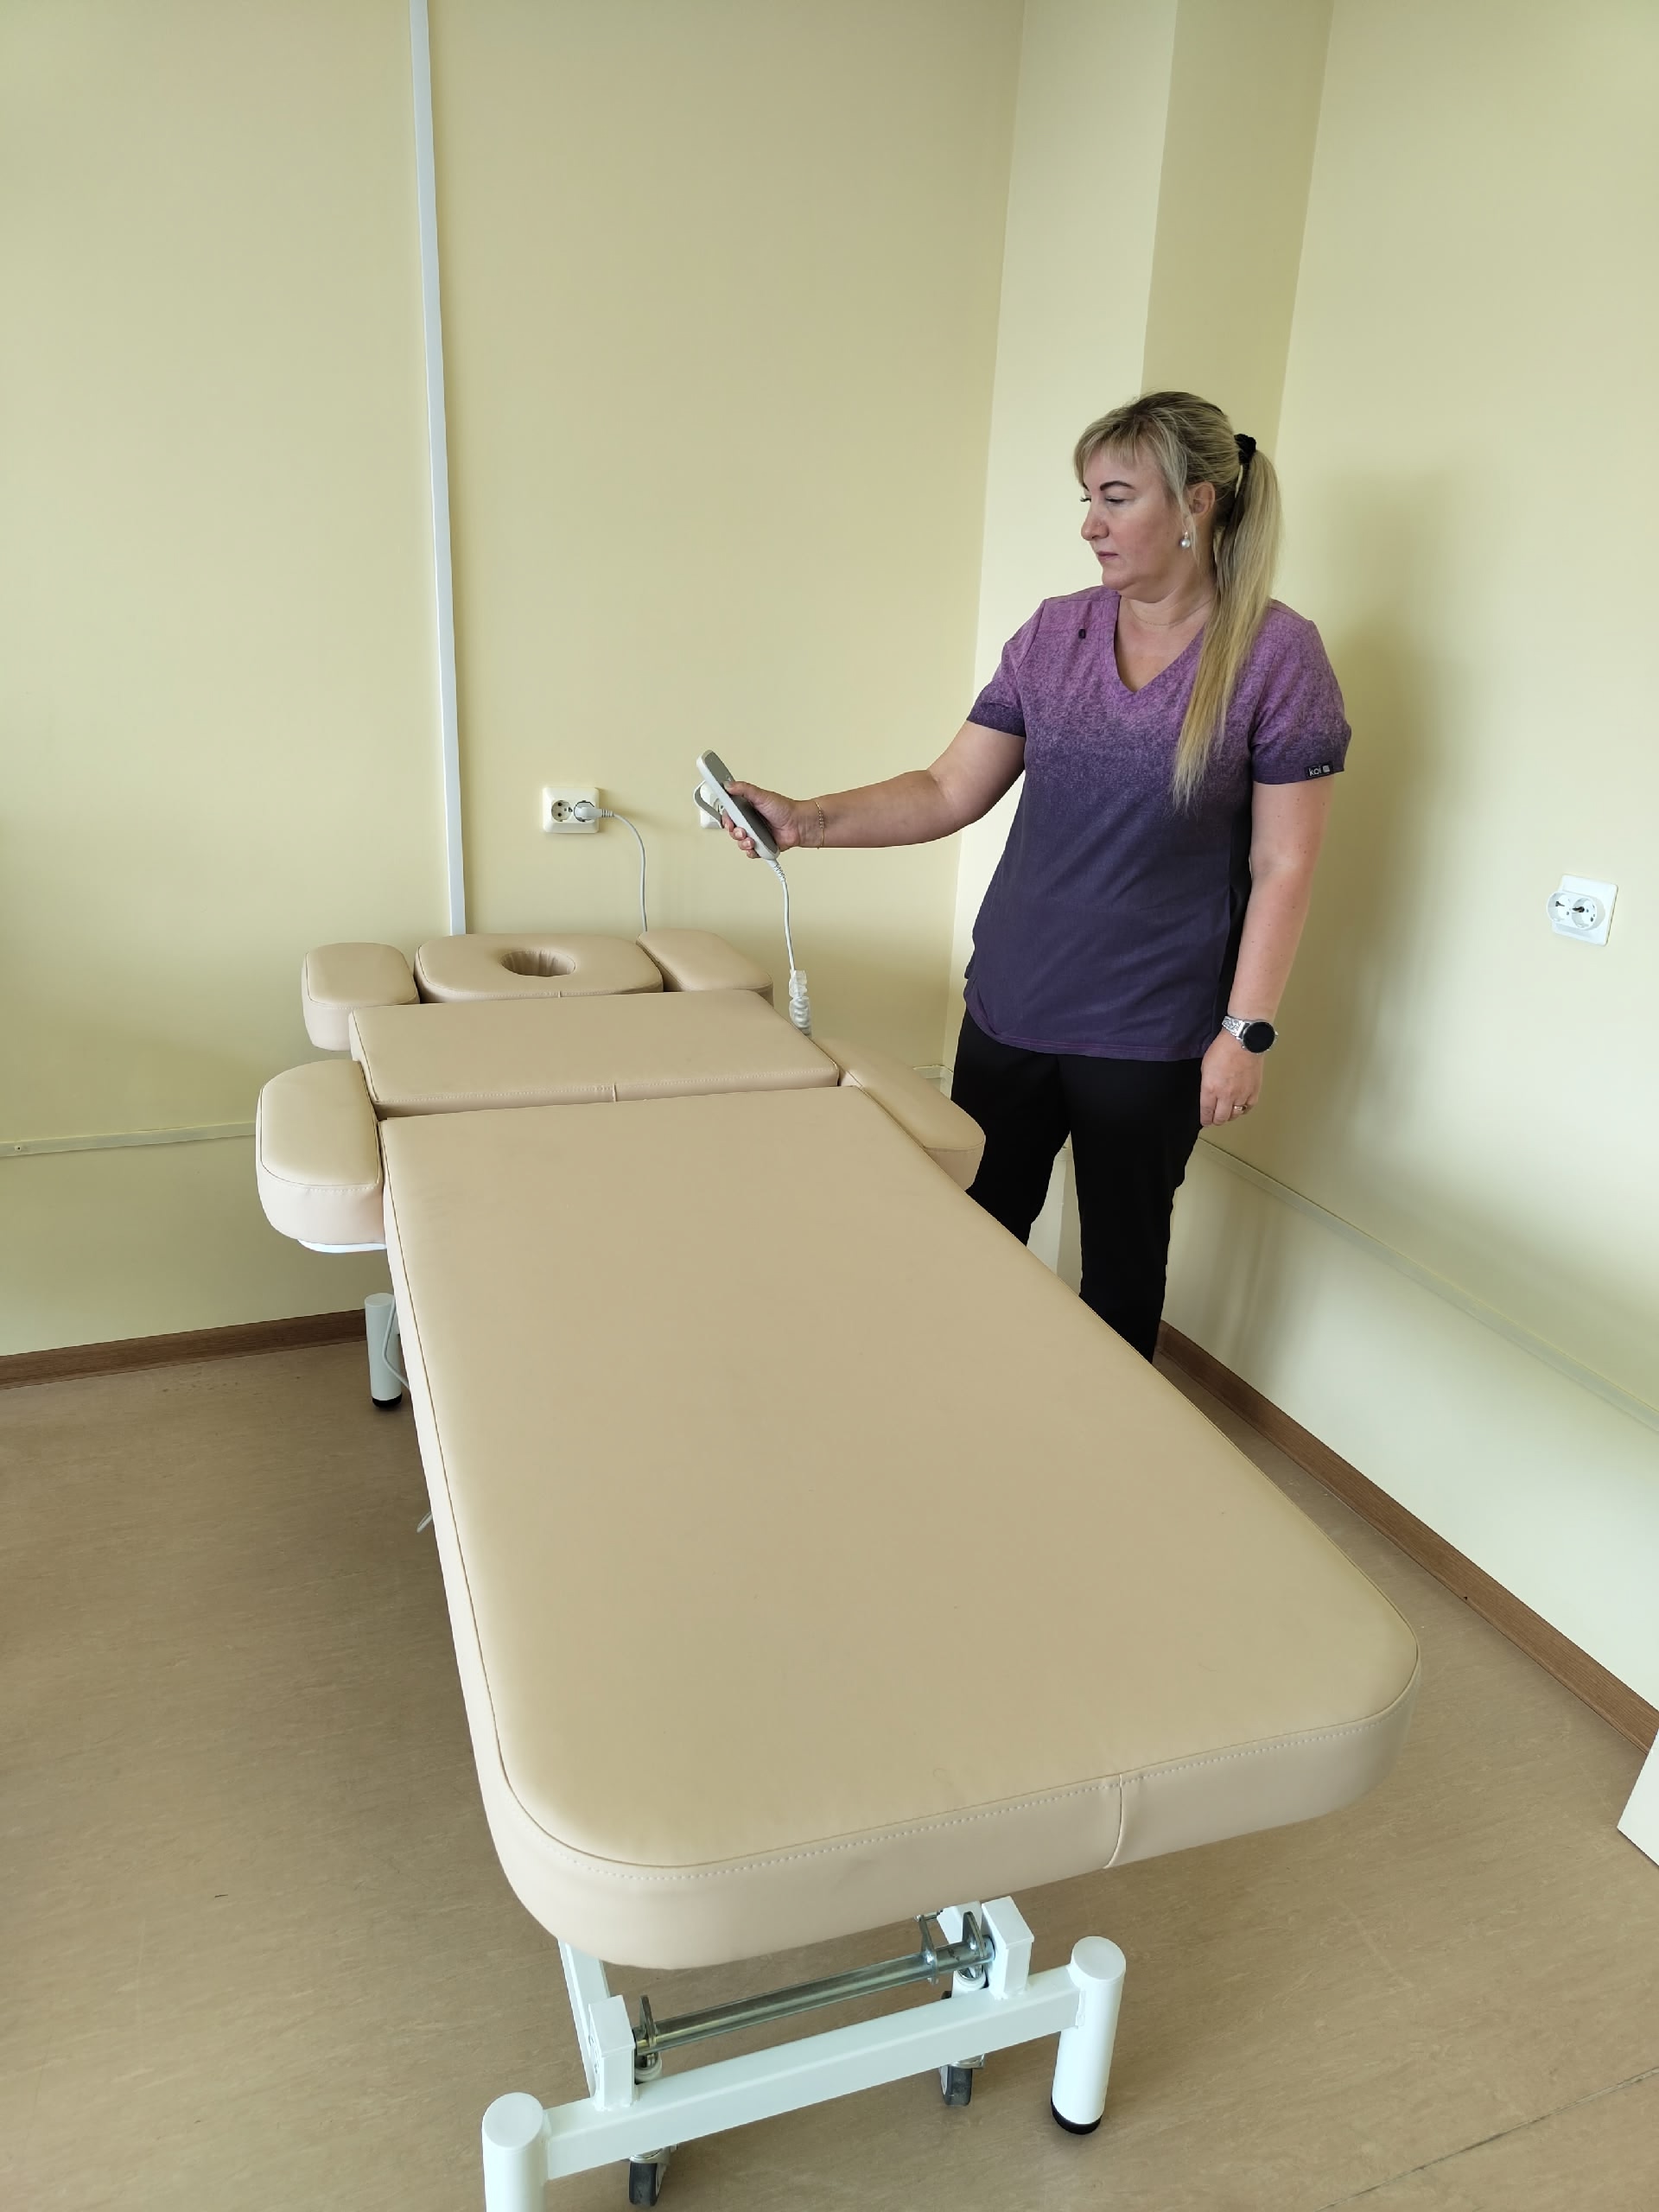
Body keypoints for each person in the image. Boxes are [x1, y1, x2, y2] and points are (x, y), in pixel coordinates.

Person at [721, 391, 1348, 1361]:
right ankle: (963, 1410)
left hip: (1149, 1032)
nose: (1091, 524)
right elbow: (947, 789)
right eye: (1087, 499)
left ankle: (1103, 1444)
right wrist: (807, 820)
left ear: (1198, 502)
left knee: (1122, 1268)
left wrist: (1245, 1032)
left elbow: (1284, 863)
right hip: (1011, 1005)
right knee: (974, 1231)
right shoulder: (1056, 634)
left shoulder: (1276, 656)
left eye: (1116, 498)